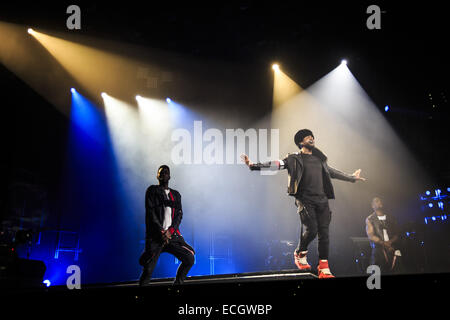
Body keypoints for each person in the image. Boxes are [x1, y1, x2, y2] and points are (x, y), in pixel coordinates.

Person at [241, 129, 365, 278]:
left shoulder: (320, 160)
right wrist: (253, 166)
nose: (311, 138)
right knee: (312, 229)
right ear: (301, 142)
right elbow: (277, 164)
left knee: (324, 233)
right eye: (307, 137)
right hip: (305, 199)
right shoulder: (293, 158)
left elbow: (332, 172)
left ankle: (324, 268)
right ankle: (300, 252)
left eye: (312, 136)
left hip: (322, 200)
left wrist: (351, 177)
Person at [138, 165, 195, 286]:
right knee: (148, 270)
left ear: (169, 176)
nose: (163, 174)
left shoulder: (176, 194)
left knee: (189, 258)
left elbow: (179, 214)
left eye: (166, 172)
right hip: (156, 237)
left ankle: (177, 286)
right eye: (161, 172)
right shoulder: (152, 191)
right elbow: (151, 212)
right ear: (157, 176)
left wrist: (170, 231)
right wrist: (161, 231)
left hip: (172, 237)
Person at [365, 197, 402, 274]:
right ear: (372, 205)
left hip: (393, 248)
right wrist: (383, 243)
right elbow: (371, 236)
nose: (379, 202)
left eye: (380, 201)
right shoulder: (370, 219)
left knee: (397, 270)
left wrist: (390, 242)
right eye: (376, 201)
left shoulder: (391, 218)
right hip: (378, 251)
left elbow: (397, 234)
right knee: (377, 275)